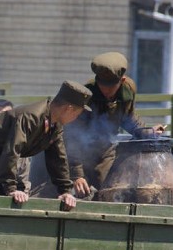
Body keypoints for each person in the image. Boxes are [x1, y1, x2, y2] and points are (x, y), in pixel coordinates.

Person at [0, 81, 91, 210]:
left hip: (6, 159)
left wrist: (65, 192)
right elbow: (12, 150)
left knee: (12, 204)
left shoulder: (55, 124)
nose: (76, 118)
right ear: (68, 109)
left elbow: (58, 158)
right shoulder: (30, 117)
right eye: (77, 114)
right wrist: (11, 189)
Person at [65, 52, 165, 197]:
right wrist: (77, 175)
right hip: (79, 153)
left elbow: (127, 117)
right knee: (78, 193)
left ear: (122, 80)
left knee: (109, 189)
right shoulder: (85, 95)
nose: (107, 95)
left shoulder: (128, 89)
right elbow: (73, 137)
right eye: (103, 90)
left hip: (106, 150)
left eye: (111, 92)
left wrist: (146, 131)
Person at [0, 99, 31, 193]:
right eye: (2, 116)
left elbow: (24, 182)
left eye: (11, 115)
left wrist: (21, 193)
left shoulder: (19, 147)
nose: (8, 120)